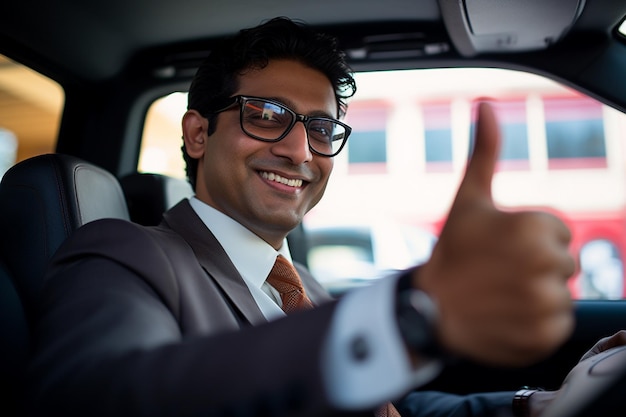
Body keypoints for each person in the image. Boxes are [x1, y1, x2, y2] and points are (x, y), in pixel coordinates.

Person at [25, 17, 577, 417]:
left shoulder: (303, 285)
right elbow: (99, 399)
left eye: (320, 128)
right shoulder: (126, 253)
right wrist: (409, 316)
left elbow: (386, 407)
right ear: (198, 133)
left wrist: (532, 406)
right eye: (265, 116)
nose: (300, 151)